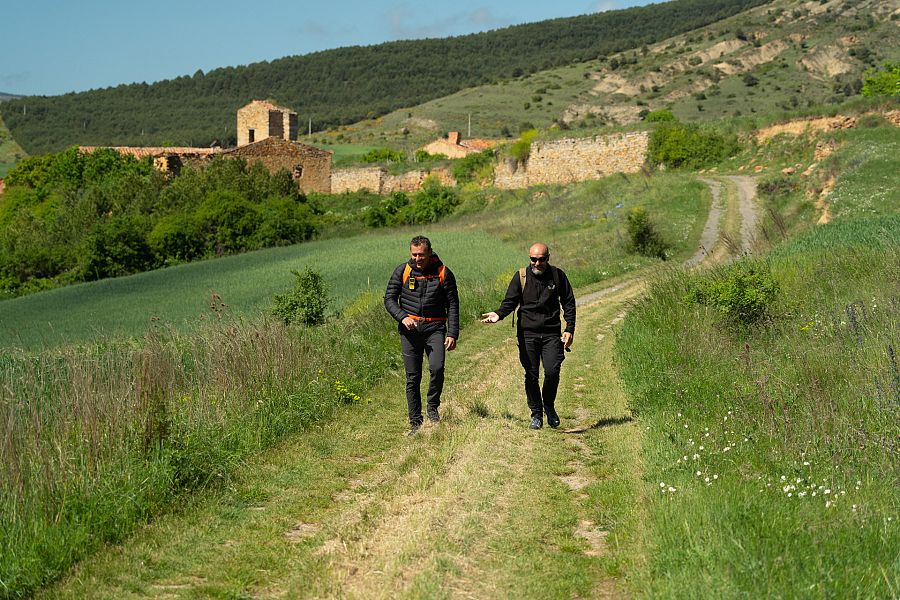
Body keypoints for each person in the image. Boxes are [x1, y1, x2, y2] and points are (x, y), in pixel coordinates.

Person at [481, 243, 575, 429]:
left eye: (541, 259)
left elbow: (569, 302)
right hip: (527, 334)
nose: (537, 263)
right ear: (529, 258)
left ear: (548, 258)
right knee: (531, 374)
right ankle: (536, 414)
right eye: (533, 259)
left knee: (552, 371)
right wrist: (498, 314)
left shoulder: (557, 276)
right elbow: (510, 301)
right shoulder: (521, 277)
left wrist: (569, 328)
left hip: (551, 333)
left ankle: (548, 404)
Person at [385, 236, 459, 435]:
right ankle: (415, 422)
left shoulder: (444, 273)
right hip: (410, 331)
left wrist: (452, 333)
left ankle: (432, 406)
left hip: (435, 328)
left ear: (430, 252)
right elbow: (389, 299)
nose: (417, 258)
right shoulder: (402, 271)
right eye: (414, 254)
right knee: (413, 377)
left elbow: (453, 304)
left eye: (421, 255)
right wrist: (402, 317)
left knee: (437, 368)